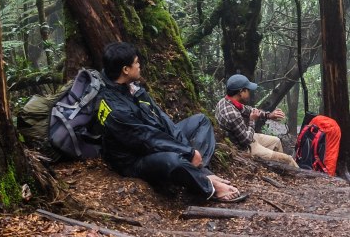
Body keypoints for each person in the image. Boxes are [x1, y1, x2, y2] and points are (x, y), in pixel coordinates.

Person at [96, 42, 246, 202]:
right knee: (174, 161)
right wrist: (186, 152)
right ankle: (210, 187)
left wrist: (188, 150)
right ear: (125, 70)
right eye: (136, 63)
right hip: (135, 160)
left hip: (154, 141)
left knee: (201, 121)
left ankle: (201, 171)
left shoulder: (130, 87)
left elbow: (162, 118)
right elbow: (146, 139)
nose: (139, 66)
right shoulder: (115, 108)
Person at [214, 74, 298, 167]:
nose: (249, 93)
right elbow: (246, 140)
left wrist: (269, 115)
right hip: (244, 147)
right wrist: (251, 120)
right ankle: (297, 173)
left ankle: (280, 169)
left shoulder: (226, 101)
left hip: (244, 136)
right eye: (248, 90)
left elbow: (248, 110)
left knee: (276, 141)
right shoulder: (232, 114)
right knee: (288, 159)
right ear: (241, 92)